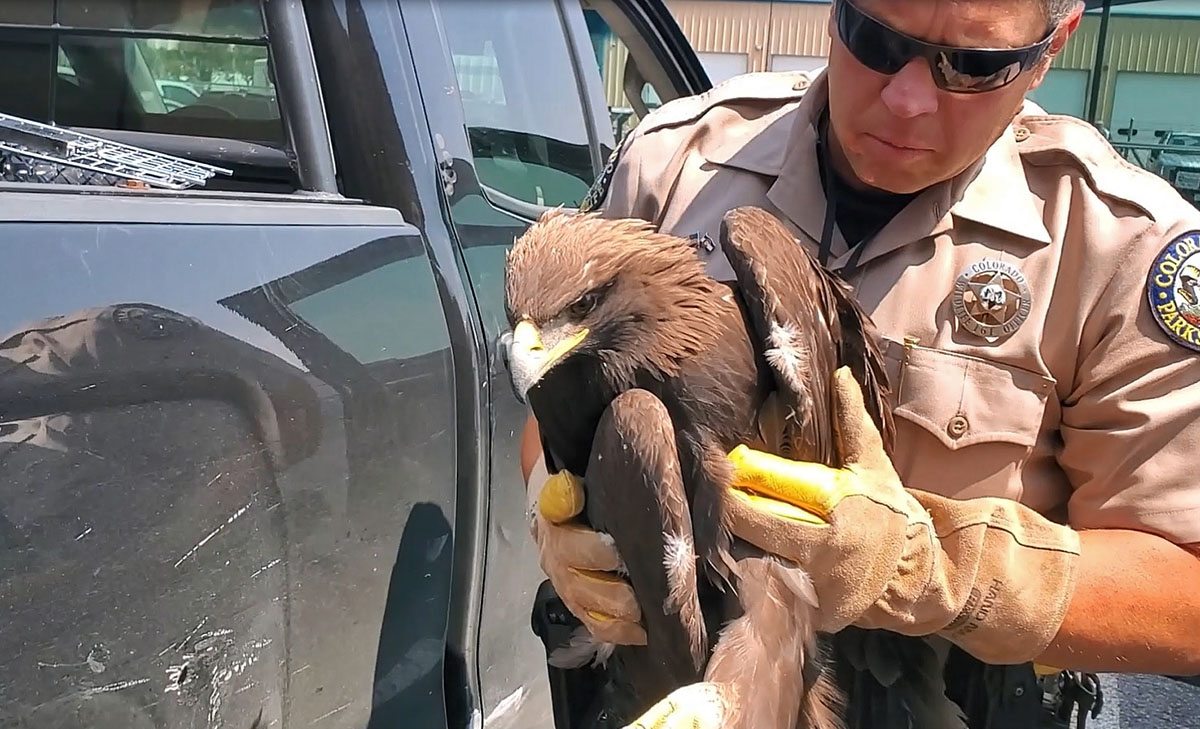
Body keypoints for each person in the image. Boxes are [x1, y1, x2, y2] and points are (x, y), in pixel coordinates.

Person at [520, 0, 1200, 725]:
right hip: (671, 682)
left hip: (936, 697)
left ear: (1050, 48)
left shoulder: (1119, 247)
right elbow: (553, 399)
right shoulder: (672, 161)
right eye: (875, 38)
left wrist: (937, 572)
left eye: (971, 65)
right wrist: (551, 506)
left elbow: (1183, 592)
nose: (907, 98)